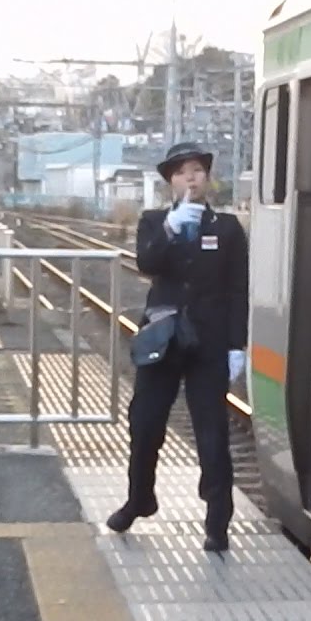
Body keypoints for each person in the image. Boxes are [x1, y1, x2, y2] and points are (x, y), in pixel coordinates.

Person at [106, 142, 250, 552]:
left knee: (212, 432)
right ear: (170, 180)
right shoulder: (153, 222)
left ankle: (218, 520)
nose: (191, 177)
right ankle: (140, 498)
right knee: (146, 421)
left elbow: (238, 288)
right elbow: (148, 264)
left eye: (198, 171)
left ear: (207, 178)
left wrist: (236, 345)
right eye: (182, 172)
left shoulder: (226, 228)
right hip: (162, 338)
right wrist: (171, 230)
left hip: (209, 341)